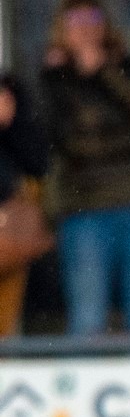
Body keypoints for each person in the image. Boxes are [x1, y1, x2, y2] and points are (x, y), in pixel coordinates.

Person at [40, 0, 130, 335]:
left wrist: (106, 72)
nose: (85, 29)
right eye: (75, 21)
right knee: (88, 316)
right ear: (62, 30)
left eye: (93, 19)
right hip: (85, 205)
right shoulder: (54, 78)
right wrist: (68, 75)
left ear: (106, 25)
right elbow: (60, 139)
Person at [0, 72, 53, 337]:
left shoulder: (9, 90)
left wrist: (10, 123)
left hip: (6, 230)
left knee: (5, 323)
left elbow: (39, 164)